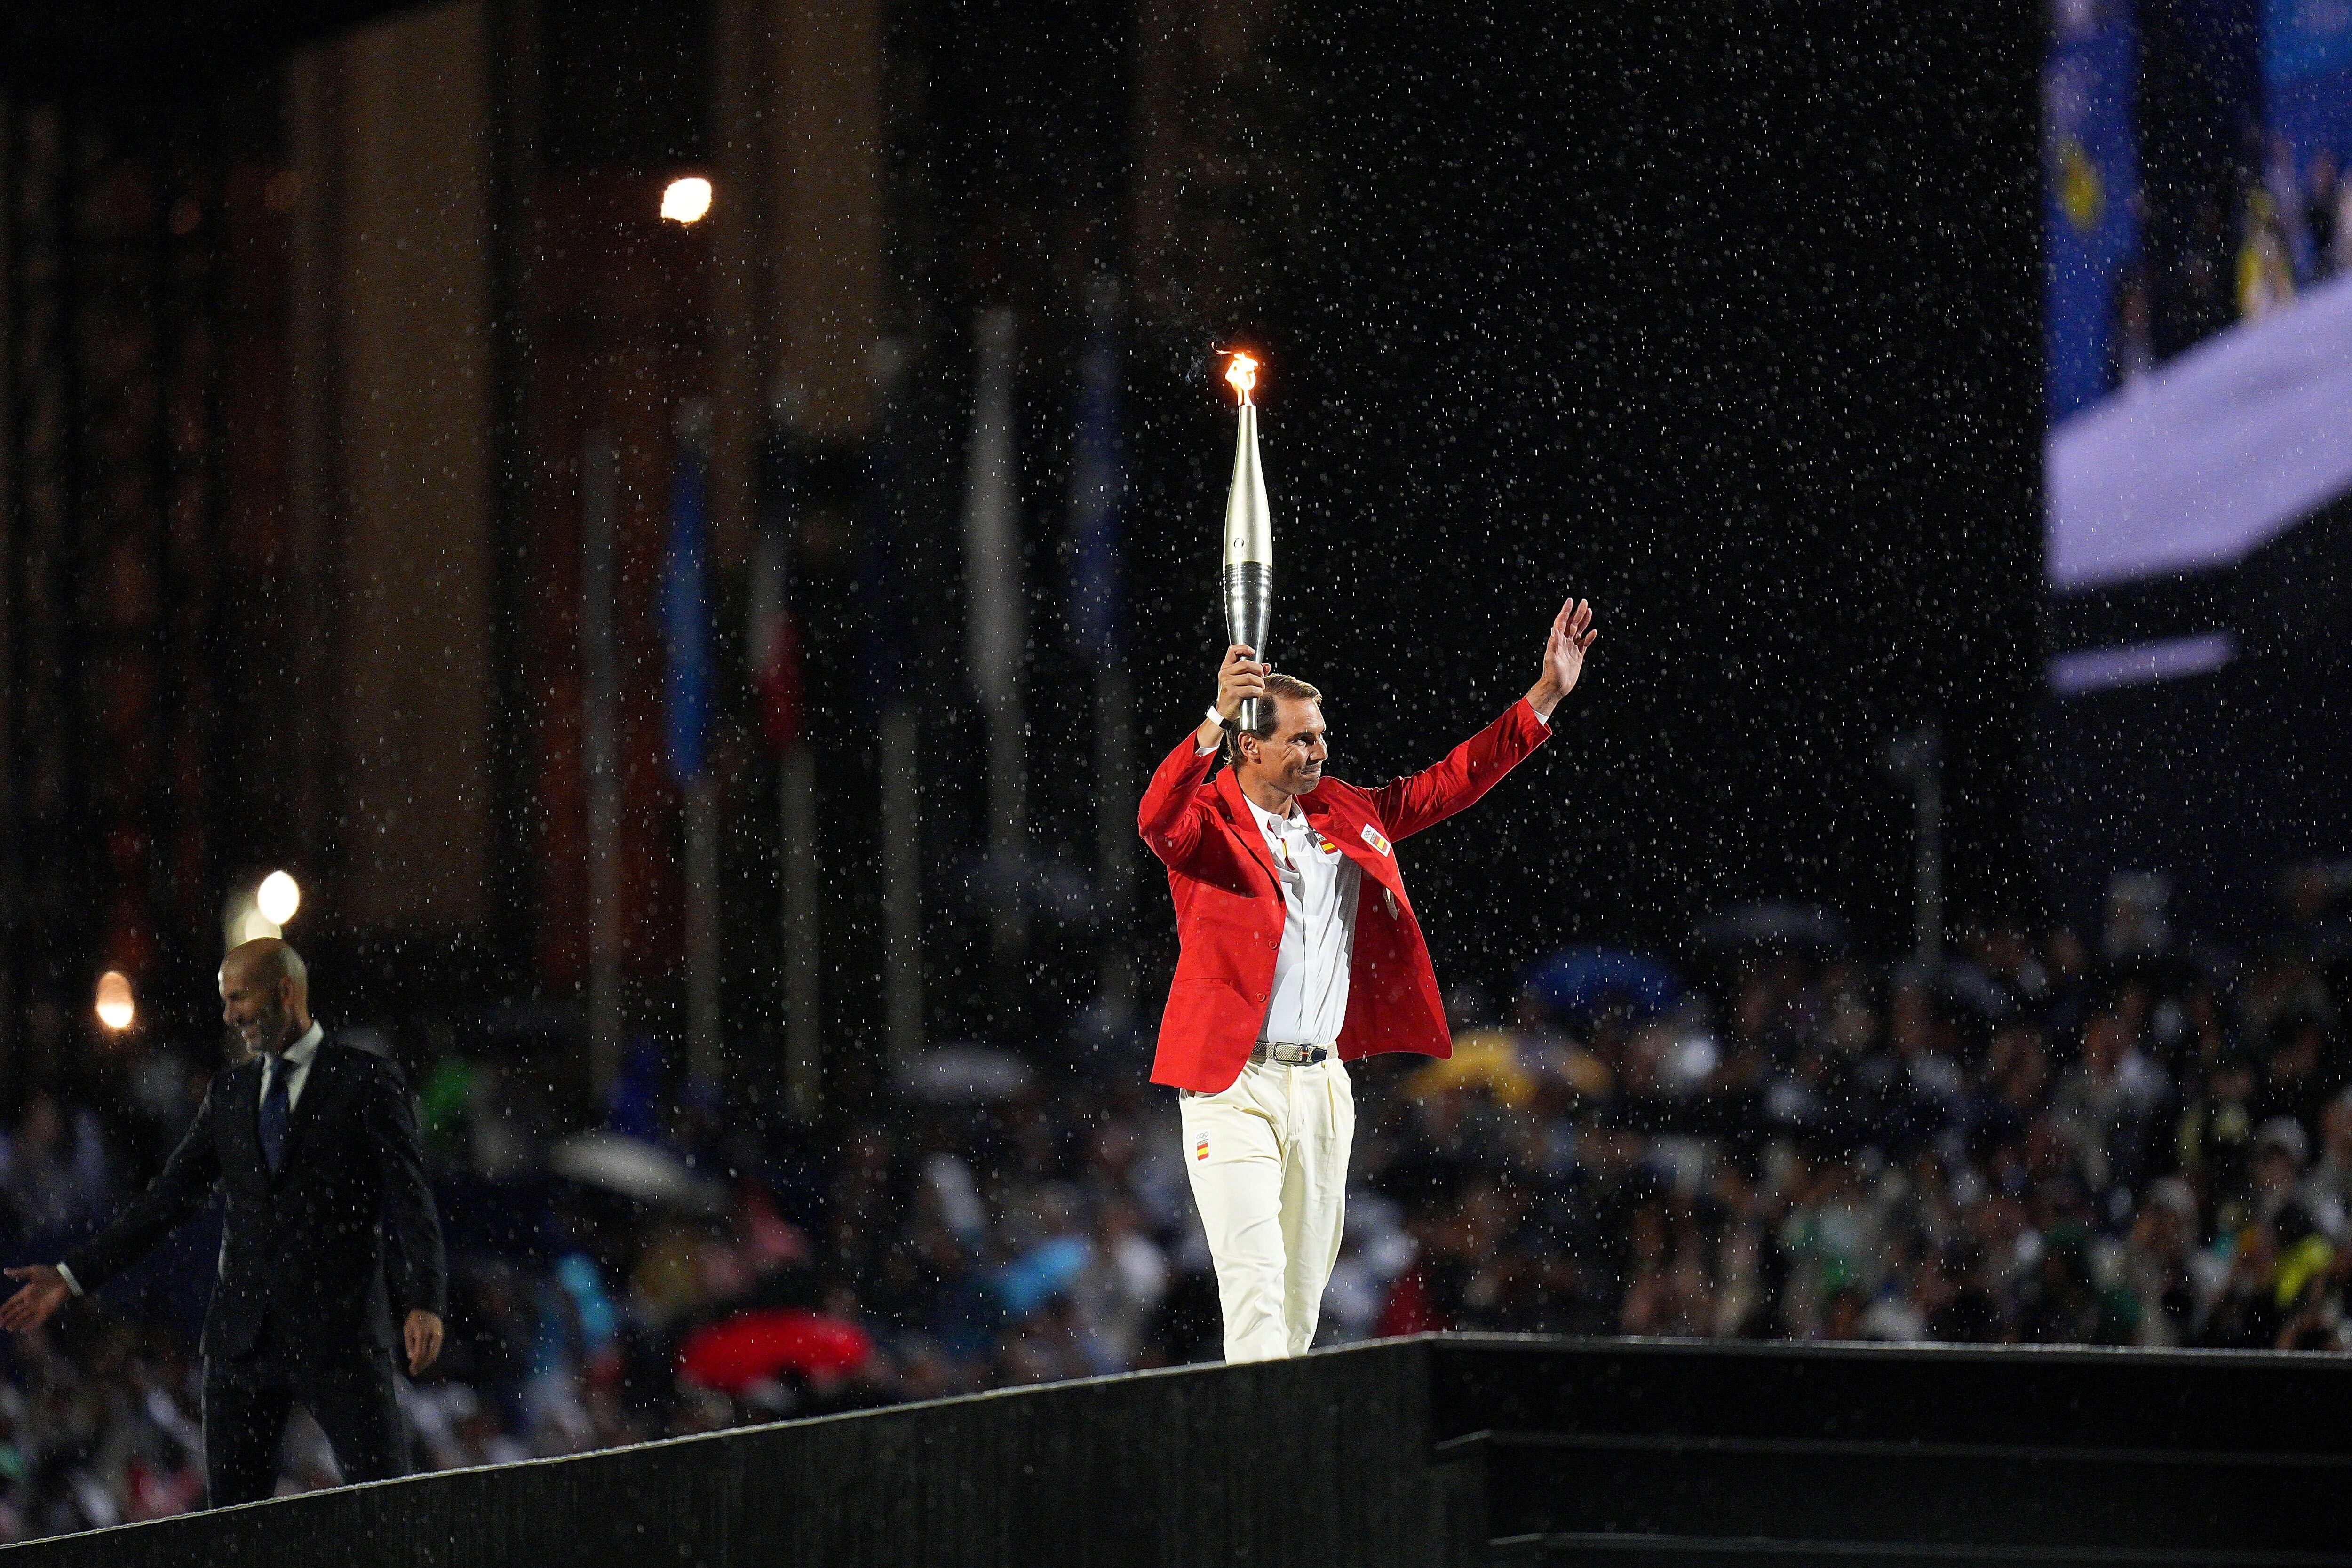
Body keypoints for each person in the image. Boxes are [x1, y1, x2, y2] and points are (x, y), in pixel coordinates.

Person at [1137, 597, 1597, 1361]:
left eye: (1322, 734)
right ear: (1250, 746)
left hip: (1323, 1085)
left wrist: (1545, 694)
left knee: (1299, 1301)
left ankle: (1273, 1450)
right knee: (1253, 1286)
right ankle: (1263, 1467)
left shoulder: (1340, 811)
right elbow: (1157, 819)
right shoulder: (1209, 824)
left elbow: (1451, 782)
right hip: (1232, 1084)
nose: (1321, 751)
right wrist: (1210, 719)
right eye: (1301, 739)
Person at [0, 938, 446, 1505]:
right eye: (225, 1001)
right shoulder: (231, 1095)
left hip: (339, 1334)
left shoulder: (364, 1082)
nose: (232, 1015)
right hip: (243, 1345)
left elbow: (411, 1201)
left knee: (387, 1509)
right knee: (231, 1532)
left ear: (286, 992)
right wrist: (71, 1274)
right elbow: (166, 1202)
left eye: (241, 997)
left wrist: (426, 1299)